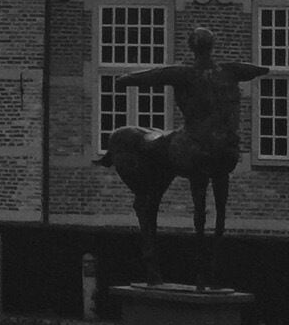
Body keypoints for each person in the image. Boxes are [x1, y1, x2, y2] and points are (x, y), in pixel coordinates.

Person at [100, 26, 269, 283]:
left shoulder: (186, 74)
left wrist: (124, 79)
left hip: (196, 145)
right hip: (220, 148)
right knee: (213, 202)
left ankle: (193, 263)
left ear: (192, 47)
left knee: (182, 184)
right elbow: (256, 70)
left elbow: (153, 76)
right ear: (212, 46)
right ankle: (208, 267)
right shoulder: (228, 71)